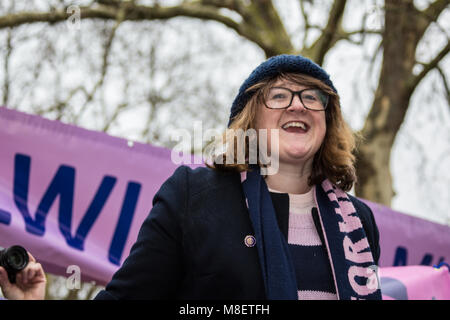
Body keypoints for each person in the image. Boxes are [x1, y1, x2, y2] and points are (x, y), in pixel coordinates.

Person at [0, 54, 381, 300]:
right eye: (279, 95)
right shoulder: (195, 195)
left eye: (313, 97)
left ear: (327, 120)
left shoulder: (358, 223)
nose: (299, 103)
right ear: (250, 119)